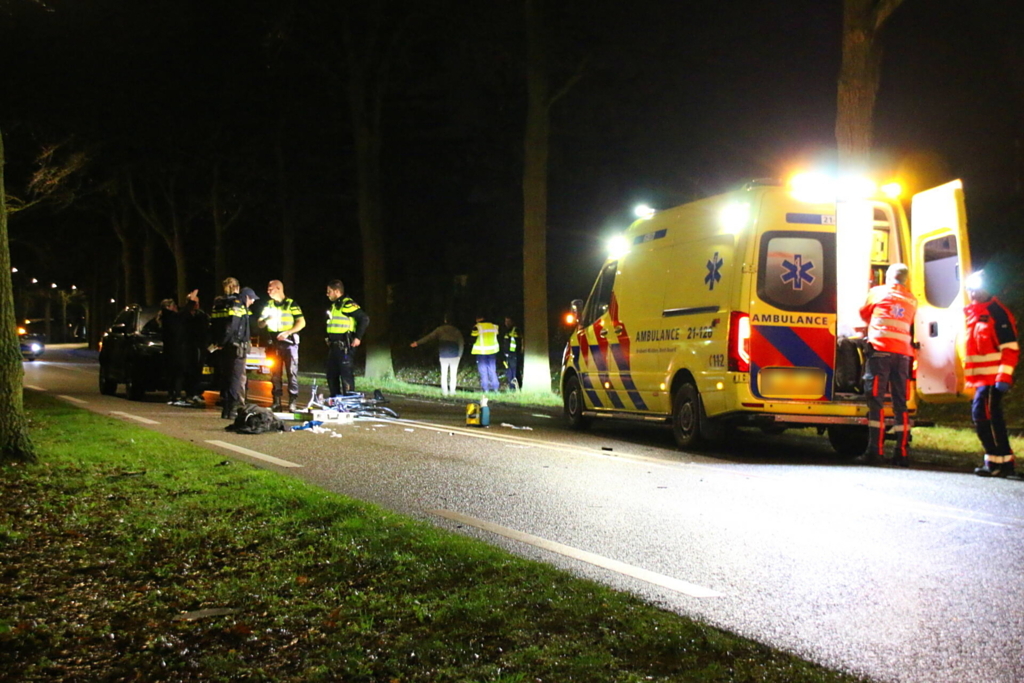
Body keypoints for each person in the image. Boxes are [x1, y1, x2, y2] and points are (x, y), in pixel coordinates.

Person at [856, 263, 918, 467]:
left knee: (876, 402)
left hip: (881, 353)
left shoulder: (878, 292)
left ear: (888, 277)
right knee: (901, 404)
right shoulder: (912, 299)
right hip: (903, 356)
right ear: (906, 279)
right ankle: (902, 453)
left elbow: (864, 315)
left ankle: (876, 451)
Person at [964, 272, 1020, 478]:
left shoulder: (997, 312)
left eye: (976, 289)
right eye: (969, 289)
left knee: (985, 415)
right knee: (987, 416)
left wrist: (1003, 376)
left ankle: (1000, 461)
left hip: (993, 379)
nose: (972, 293)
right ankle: (998, 462)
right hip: (980, 380)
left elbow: (1010, 348)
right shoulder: (971, 313)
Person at [210, 278, 258, 419]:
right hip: (236, 346)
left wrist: (218, 342)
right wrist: (225, 340)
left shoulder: (218, 303)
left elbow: (214, 325)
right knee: (236, 379)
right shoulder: (236, 304)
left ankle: (226, 410)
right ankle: (233, 409)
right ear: (237, 288)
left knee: (226, 377)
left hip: (223, 346)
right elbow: (233, 326)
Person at [258, 280, 305, 412]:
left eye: (270, 289)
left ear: (279, 289)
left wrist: (288, 332)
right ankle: (276, 402)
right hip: (274, 343)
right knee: (275, 374)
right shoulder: (268, 305)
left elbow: (301, 322)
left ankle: (292, 402)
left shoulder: (291, 304)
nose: (268, 291)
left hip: (289, 343)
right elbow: (260, 324)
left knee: (292, 373)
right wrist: (266, 319)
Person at [325, 279, 369, 397]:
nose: (327, 294)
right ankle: (335, 400)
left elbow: (364, 319)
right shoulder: (334, 306)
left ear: (337, 291)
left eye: (329, 291)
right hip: (334, 345)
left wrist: (358, 337)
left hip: (345, 345)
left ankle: (349, 403)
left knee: (346, 375)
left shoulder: (347, 304)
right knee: (331, 375)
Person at [411, 316, 464, 396]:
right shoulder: (456, 331)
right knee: (453, 374)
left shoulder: (440, 330)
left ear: (445, 321)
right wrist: (460, 355)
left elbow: (429, 337)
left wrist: (417, 343)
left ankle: (445, 392)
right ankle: (452, 391)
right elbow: (461, 343)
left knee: (444, 373)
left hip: (443, 355)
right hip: (454, 355)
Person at [180, 289, 209, 407]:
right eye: (194, 302)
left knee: (198, 370)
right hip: (187, 346)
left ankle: (196, 392)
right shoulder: (184, 315)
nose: (196, 305)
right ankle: (189, 393)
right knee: (188, 370)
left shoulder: (202, 315)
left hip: (200, 347)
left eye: (197, 302)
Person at [156, 297, 186, 404]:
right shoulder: (171, 317)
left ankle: (171, 394)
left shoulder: (163, 318)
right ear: (169, 307)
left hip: (168, 350)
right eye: (173, 306)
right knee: (178, 373)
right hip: (176, 350)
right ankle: (176, 395)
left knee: (171, 374)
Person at [470, 315, 500, 393]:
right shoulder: (494, 326)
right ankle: (495, 388)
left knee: (483, 370)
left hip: (481, 352)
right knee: (492, 370)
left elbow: (472, 339)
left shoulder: (477, 327)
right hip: (493, 351)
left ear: (478, 319)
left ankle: (486, 389)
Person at [501, 316, 520, 391]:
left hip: (513, 354)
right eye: (506, 321)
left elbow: (517, 342)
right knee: (509, 370)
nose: (506, 323)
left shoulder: (515, 330)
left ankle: (514, 387)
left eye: (508, 321)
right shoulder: (507, 330)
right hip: (509, 354)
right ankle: (511, 386)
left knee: (513, 371)